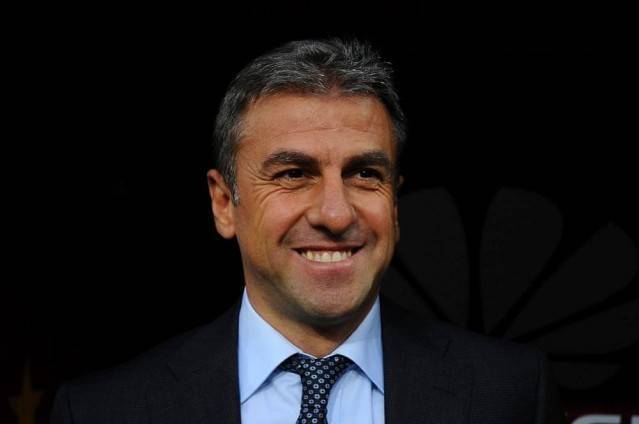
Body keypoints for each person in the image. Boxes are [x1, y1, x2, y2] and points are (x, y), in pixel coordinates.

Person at [51, 38, 564, 424]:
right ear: (224, 204)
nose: (335, 215)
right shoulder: (105, 410)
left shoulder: (509, 393)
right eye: (294, 174)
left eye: (365, 174)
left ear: (395, 202)